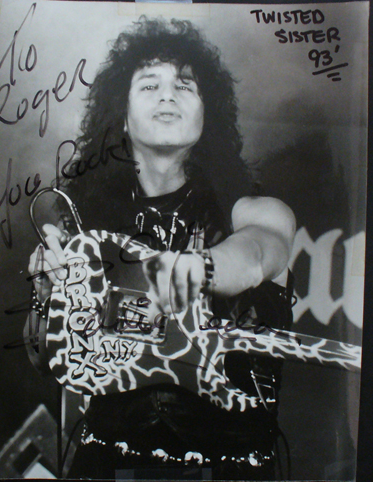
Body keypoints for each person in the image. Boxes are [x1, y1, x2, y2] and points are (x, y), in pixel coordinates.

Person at [26, 17, 296, 480]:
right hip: (106, 464)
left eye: (184, 85)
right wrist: (48, 297)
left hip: (230, 470)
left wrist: (199, 269)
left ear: (207, 114)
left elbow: (257, 254)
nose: (168, 95)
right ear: (122, 116)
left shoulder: (255, 209)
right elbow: (46, 361)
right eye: (150, 85)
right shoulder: (88, 228)